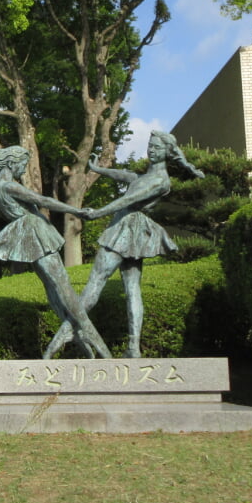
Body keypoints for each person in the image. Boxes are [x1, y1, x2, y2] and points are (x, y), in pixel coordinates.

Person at [72, 131, 205, 358]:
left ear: (168, 153)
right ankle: (133, 347)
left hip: (126, 228)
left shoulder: (161, 181)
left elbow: (128, 200)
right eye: (150, 146)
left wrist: (98, 213)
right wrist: (99, 170)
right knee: (131, 288)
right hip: (133, 231)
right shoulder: (145, 176)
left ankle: (70, 328)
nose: (151, 150)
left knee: (97, 280)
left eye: (157, 148)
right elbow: (126, 176)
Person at [0, 137, 110, 360]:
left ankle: (75, 336)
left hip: (24, 234)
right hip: (35, 231)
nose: (23, 169)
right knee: (64, 287)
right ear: (12, 164)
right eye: (22, 164)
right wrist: (75, 211)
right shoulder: (10, 186)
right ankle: (97, 343)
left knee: (53, 289)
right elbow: (43, 200)